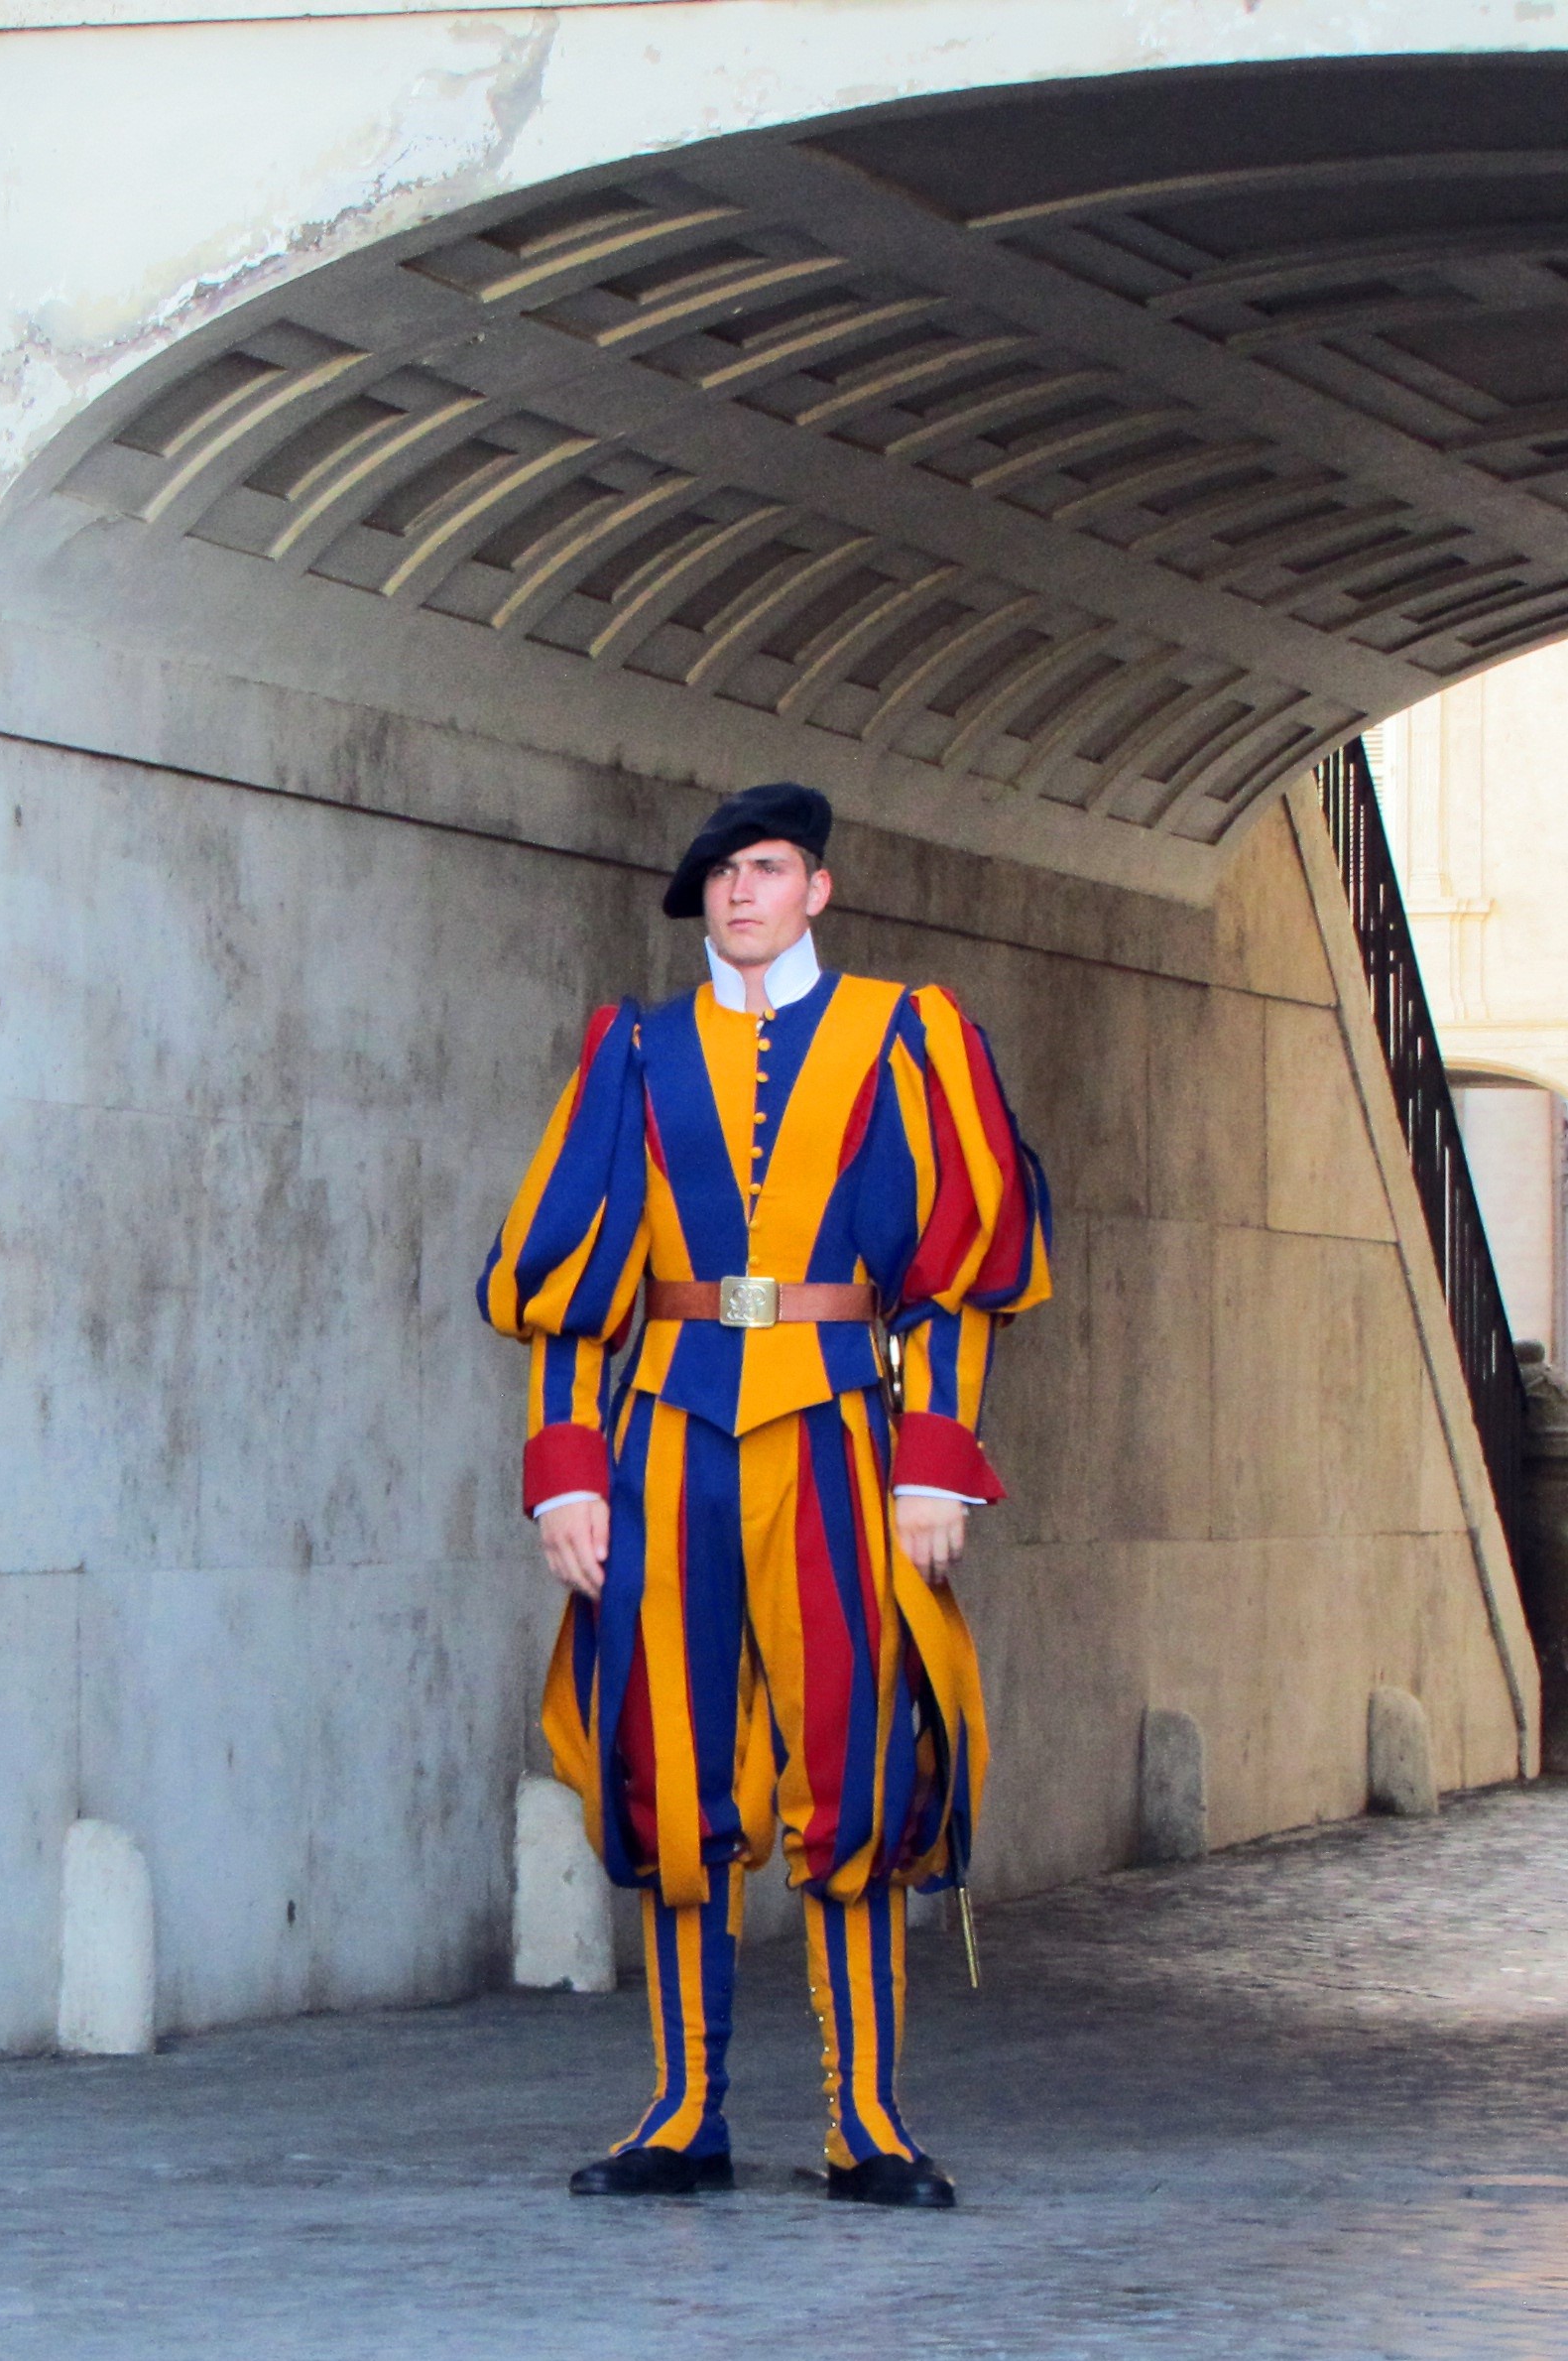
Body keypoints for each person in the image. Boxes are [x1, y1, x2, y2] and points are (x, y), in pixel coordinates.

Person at [482, 782, 1050, 2208]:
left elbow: (958, 1267)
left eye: (767, 869)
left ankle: (867, 2122)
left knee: (854, 1768)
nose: (740, 894)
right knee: (678, 1779)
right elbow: (572, 1285)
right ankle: (683, 2114)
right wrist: (564, 1473)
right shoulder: (637, 1049)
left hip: (845, 1433)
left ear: (818, 889)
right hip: (666, 1432)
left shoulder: (903, 1037)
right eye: (722, 877)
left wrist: (938, 1458)